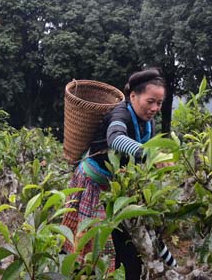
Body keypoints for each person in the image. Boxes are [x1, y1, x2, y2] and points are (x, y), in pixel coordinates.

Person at [61, 68, 174, 279]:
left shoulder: (148, 122)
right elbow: (115, 139)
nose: (155, 108)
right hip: (91, 186)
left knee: (131, 241)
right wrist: (149, 155)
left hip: (117, 187)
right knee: (83, 244)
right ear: (133, 96)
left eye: (159, 103)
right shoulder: (120, 113)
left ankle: (171, 265)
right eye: (150, 101)